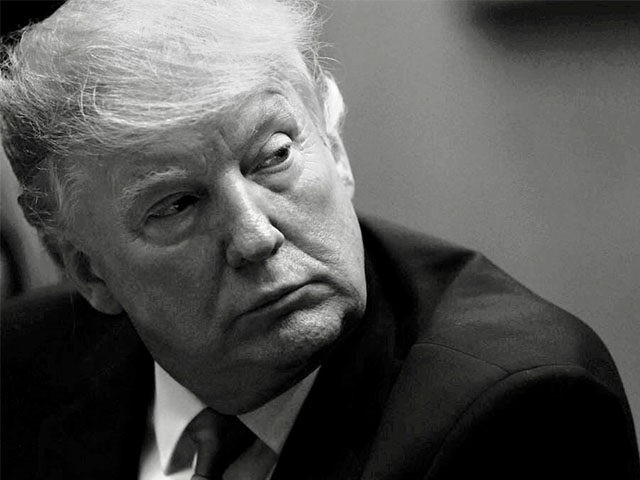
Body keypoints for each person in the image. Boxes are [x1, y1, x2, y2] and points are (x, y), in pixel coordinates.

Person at [1, 1, 638, 479]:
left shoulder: (521, 414)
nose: (255, 237)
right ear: (83, 268)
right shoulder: (16, 371)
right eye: (177, 205)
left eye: (273, 157)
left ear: (334, 147)